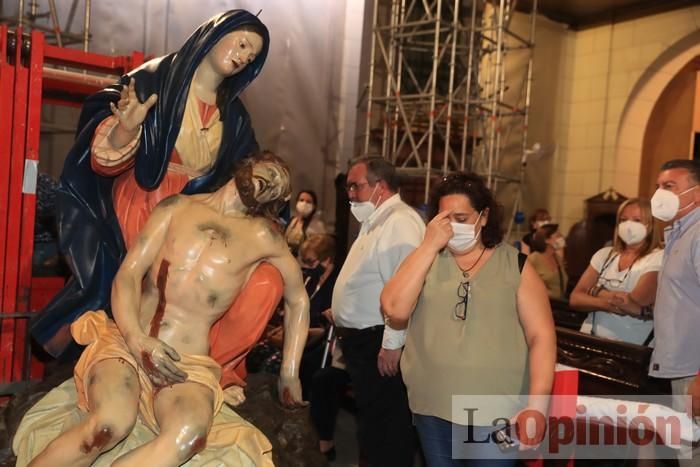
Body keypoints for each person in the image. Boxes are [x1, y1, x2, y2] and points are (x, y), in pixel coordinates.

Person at [25, 152, 309, 467]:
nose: (269, 182)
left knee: (188, 435)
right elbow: (128, 275)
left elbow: (298, 299)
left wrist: (290, 372)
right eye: (269, 171)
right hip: (131, 345)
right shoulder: (177, 208)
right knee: (110, 424)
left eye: (279, 185)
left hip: (187, 366)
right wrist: (136, 339)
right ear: (248, 164)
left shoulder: (263, 237)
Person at [32, 10, 271, 358]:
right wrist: (127, 128)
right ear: (216, 33)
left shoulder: (234, 117)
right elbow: (99, 158)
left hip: (198, 213)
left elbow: (245, 174)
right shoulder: (153, 81)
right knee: (151, 282)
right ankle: (128, 351)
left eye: (250, 56)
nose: (241, 57)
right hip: (146, 201)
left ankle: (191, 361)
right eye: (242, 44)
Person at [381, 172, 556, 466]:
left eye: (461, 218)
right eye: (444, 218)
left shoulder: (514, 265)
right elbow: (394, 310)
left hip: (493, 408)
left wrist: (538, 405)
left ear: (484, 216)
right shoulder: (424, 260)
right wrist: (427, 246)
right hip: (431, 403)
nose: (452, 227)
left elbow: (542, 336)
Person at [331, 156, 424, 466]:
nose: (351, 195)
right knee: (372, 428)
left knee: (387, 431)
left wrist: (392, 344)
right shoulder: (377, 221)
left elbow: (406, 290)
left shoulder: (400, 221)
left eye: (355, 186)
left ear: (380, 186)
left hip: (379, 344)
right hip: (365, 342)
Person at [645, 160, 700, 465]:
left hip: (694, 369)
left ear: (697, 193)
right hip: (682, 366)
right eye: (657, 186)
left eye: (669, 187)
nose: (659, 194)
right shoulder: (679, 233)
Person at [569, 198, 662, 345]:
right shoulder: (604, 254)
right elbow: (575, 299)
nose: (628, 225)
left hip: (630, 346)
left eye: (637, 220)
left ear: (651, 225)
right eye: (623, 220)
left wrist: (594, 291)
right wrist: (607, 304)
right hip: (588, 338)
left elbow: (634, 302)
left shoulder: (658, 257)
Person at [527, 224, 568, 300]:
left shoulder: (558, 259)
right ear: (546, 240)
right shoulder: (533, 259)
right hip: (541, 303)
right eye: (558, 236)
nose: (562, 238)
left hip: (559, 305)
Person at [284, 190, 327, 256]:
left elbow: (320, 250)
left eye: (308, 202)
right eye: (301, 200)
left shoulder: (318, 226)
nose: (304, 204)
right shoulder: (291, 221)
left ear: (314, 206)